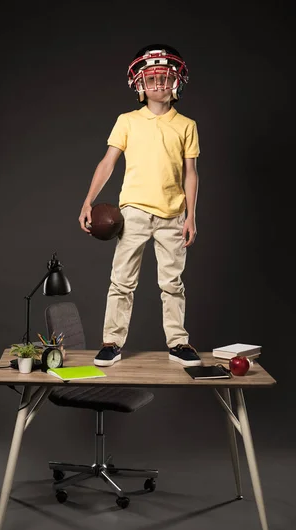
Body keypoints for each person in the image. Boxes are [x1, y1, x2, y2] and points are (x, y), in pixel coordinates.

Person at [79, 44, 202, 368]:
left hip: (173, 214)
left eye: (164, 78)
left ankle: (178, 342)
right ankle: (112, 342)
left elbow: (191, 174)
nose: (158, 85)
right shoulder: (127, 121)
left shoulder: (186, 125)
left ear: (176, 82)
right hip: (132, 212)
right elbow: (107, 163)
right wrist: (88, 201)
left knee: (172, 282)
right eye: (151, 79)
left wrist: (191, 215)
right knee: (121, 280)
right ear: (139, 84)